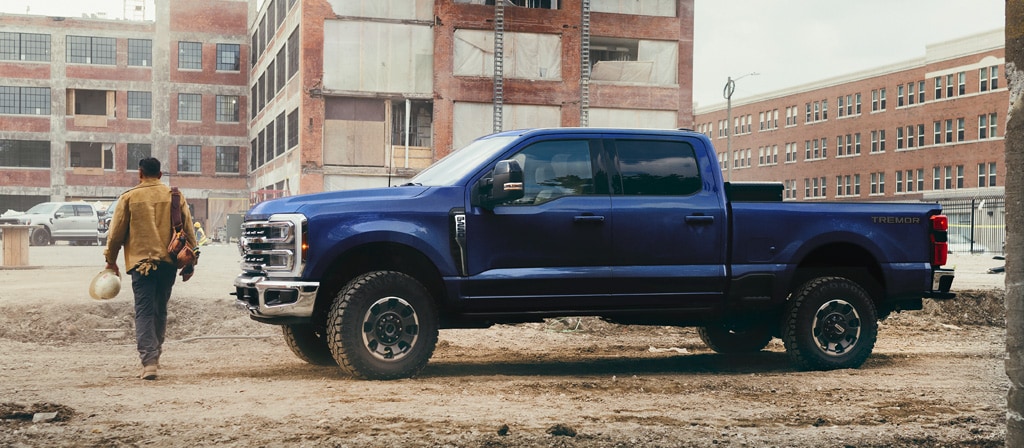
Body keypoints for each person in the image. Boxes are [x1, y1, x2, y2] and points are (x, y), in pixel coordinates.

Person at [103, 157, 197, 380]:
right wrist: (191, 263)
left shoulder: (128, 198)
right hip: (168, 264)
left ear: (140, 174)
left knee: (144, 311)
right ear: (160, 174)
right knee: (160, 310)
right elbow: (189, 232)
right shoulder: (175, 196)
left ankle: (149, 362)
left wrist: (110, 260)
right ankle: (155, 355)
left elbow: (115, 235)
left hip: (141, 266)